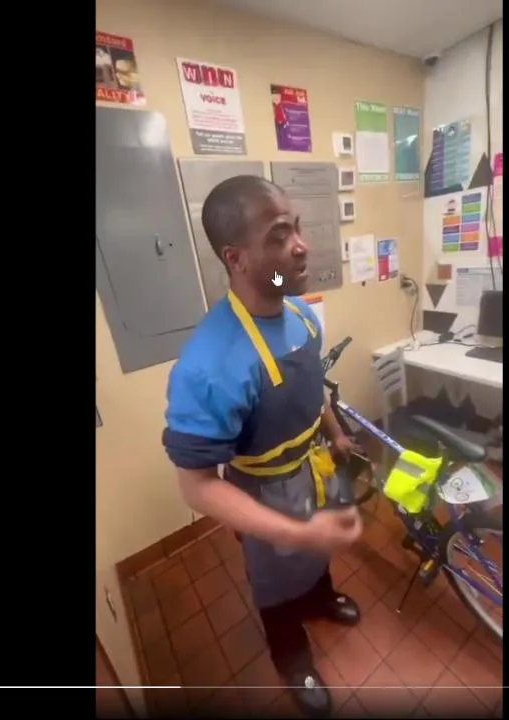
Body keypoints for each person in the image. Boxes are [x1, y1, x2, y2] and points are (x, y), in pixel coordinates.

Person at [163, 175, 365, 718]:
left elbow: (311, 386)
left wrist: (334, 431)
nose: (301, 245)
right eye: (279, 235)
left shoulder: (298, 313)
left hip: (313, 465)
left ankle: (319, 597)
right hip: (262, 488)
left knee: (317, 552)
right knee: (274, 576)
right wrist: (293, 529)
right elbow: (197, 487)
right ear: (236, 258)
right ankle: (290, 652)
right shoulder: (209, 365)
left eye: (296, 228)